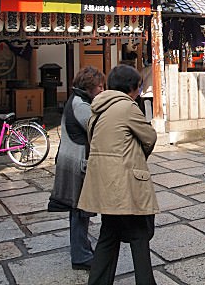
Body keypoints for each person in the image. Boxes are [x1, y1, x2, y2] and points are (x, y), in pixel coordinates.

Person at [78, 64, 159, 285]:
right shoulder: (127, 107)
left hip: (103, 185)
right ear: (132, 87)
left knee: (108, 235)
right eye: (139, 87)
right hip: (125, 184)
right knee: (139, 236)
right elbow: (149, 138)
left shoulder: (97, 109)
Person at [48, 66, 105, 271]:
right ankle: (80, 255)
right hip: (76, 163)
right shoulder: (81, 104)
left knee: (78, 209)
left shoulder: (77, 99)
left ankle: (82, 248)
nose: (101, 90)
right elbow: (96, 127)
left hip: (72, 159)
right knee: (79, 210)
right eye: (99, 86)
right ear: (89, 86)